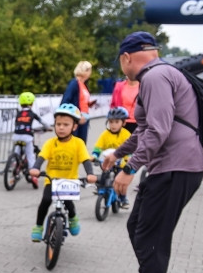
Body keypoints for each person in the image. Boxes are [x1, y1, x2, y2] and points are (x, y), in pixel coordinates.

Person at [102, 31, 203, 273]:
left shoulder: (155, 77)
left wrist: (129, 169)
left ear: (126, 57)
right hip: (169, 167)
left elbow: (158, 130)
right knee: (137, 225)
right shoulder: (161, 74)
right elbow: (145, 129)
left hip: (177, 168)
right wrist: (117, 153)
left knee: (152, 235)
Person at [28, 103, 97, 241]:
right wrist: (36, 168)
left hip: (69, 181)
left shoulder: (78, 143)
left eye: (66, 125)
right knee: (46, 201)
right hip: (52, 180)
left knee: (68, 203)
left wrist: (90, 174)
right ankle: (38, 226)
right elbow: (41, 157)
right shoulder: (50, 143)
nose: (61, 127)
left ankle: (73, 218)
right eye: (58, 124)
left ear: (74, 127)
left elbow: (85, 160)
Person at [91, 106, 133, 208]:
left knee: (120, 180)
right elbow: (98, 147)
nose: (113, 125)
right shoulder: (105, 135)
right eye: (111, 122)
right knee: (104, 174)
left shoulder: (126, 134)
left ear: (123, 123)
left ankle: (123, 198)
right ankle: (101, 188)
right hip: (108, 161)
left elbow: (130, 149)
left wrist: (127, 159)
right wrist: (94, 156)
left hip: (121, 162)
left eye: (117, 122)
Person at [12, 91, 46, 188]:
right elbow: (42, 122)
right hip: (27, 137)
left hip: (16, 136)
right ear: (31, 103)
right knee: (31, 156)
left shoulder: (18, 113)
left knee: (17, 151)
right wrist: (48, 127)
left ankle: (14, 163)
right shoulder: (32, 113)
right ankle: (34, 176)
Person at [61, 60, 94, 145]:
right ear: (85, 71)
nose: (90, 73)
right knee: (75, 143)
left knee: (81, 144)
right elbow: (66, 101)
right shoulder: (74, 83)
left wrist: (89, 104)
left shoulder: (84, 84)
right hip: (77, 117)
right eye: (89, 70)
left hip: (84, 116)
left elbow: (81, 100)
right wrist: (76, 116)